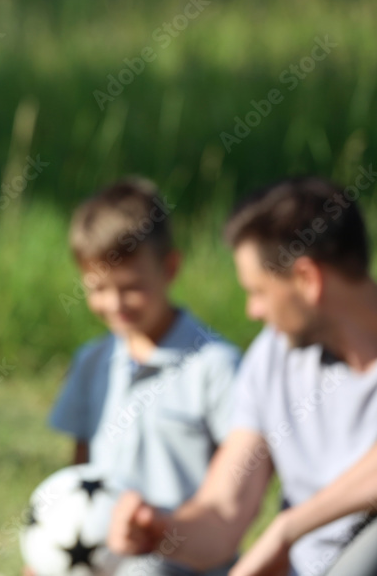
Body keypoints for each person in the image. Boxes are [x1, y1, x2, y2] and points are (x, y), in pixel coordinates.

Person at [108, 176, 377, 576]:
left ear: (306, 279)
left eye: (258, 292)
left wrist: (290, 527)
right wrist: (162, 531)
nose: (253, 311)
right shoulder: (272, 357)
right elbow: (223, 513)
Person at [35, 178, 241, 576]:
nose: (114, 304)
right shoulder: (91, 361)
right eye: (98, 289)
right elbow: (79, 476)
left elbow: (236, 491)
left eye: (131, 288)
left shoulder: (217, 366)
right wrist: (46, 552)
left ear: (170, 268)